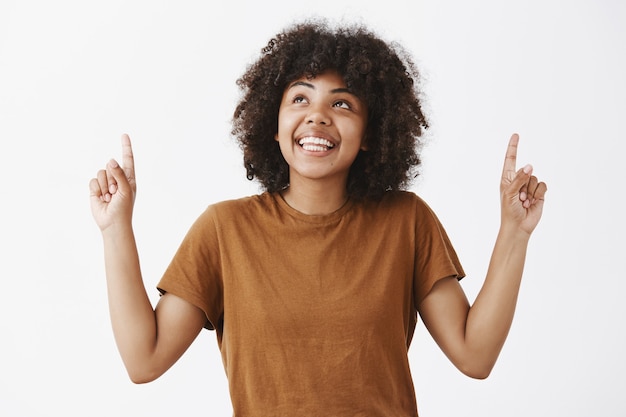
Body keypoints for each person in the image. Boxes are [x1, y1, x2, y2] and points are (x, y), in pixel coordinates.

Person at [89, 19, 547, 416]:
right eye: (300, 100)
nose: (318, 117)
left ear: (370, 134)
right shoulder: (224, 230)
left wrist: (514, 232)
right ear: (274, 122)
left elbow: (476, 355)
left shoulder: (406, 221)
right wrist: (115, 229)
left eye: (342, 104)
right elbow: (143, 360)